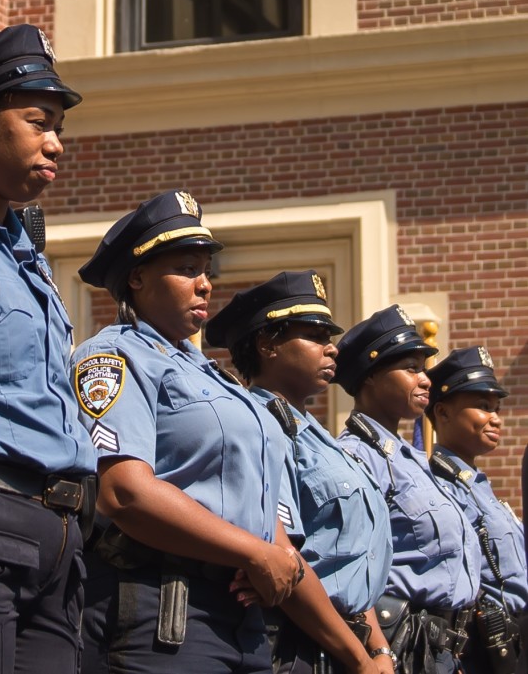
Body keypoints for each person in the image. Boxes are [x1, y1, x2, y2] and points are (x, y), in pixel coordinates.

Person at [71, 190, 380, 674]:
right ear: (137, 277)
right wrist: (254, 551)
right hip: (164, 614)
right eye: (187, 268)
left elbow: (262, 511)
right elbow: (124, 492)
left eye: (207, 272)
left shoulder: (219, 380)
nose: (204, 285)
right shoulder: (114, 356)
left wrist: (283, 563)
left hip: (246, 621)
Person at [0, 25, 96, 674]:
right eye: (38, 120)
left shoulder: (24, 251)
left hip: (60, 534)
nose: (55, 142)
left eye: (58, 125)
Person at [206, 271, 395, 674]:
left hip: (345, 643)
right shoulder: (256, 425)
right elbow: (286, 560)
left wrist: (378, 651)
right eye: (316, 338)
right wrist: (360, 659)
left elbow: (355, 561)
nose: (332, 351)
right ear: (268, 344)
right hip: (296, 645)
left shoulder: (318, 436)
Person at [334, 306, 481, 674]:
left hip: (442, 648)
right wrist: (375, 651)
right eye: (411, 368)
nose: (426, 379)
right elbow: (349, 563)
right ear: (370, 376)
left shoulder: (411, 458)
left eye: (424, 367)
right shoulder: (357, 455)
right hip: (401, 646)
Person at [426, 346, 527, 673]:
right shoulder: (439, 487)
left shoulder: (478, 485)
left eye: (497, 407)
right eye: (483, 407)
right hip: (485, 652)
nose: (496, 417)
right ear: (442, 413)